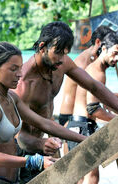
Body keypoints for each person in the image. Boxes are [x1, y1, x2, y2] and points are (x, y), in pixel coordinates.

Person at [12, 21, 118, 182]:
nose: (62, 59)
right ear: (42, 47)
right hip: (24, 152)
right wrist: (40, 143)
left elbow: (94, 87)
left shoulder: (61, 63)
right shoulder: (23, 83)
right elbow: (20, 137)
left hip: (50, 141)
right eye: (58, 52)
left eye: (66, 52)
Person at [0, 41, 89, 184]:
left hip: (14, 180)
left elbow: (44, 123)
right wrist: (35, 161)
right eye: (13, 69)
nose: (19, 74)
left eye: (20, 68)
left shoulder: (11, 98)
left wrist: (84, 140)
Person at [66, 32, 118, 184]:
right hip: (83, 126)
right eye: (115, 53)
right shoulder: (98, 72)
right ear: (103, 49)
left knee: (82, 178)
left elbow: (103, 100)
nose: (117, 59)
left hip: (79, 125)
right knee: (90, 177)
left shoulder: (96, 68)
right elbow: (93, 109)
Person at [59, 25, 115, 126]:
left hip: (81, 116)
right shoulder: (83, 64)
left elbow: (97, 94)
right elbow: (84, 101)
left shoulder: (95, 62)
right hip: (70, 116)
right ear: (99, 43)